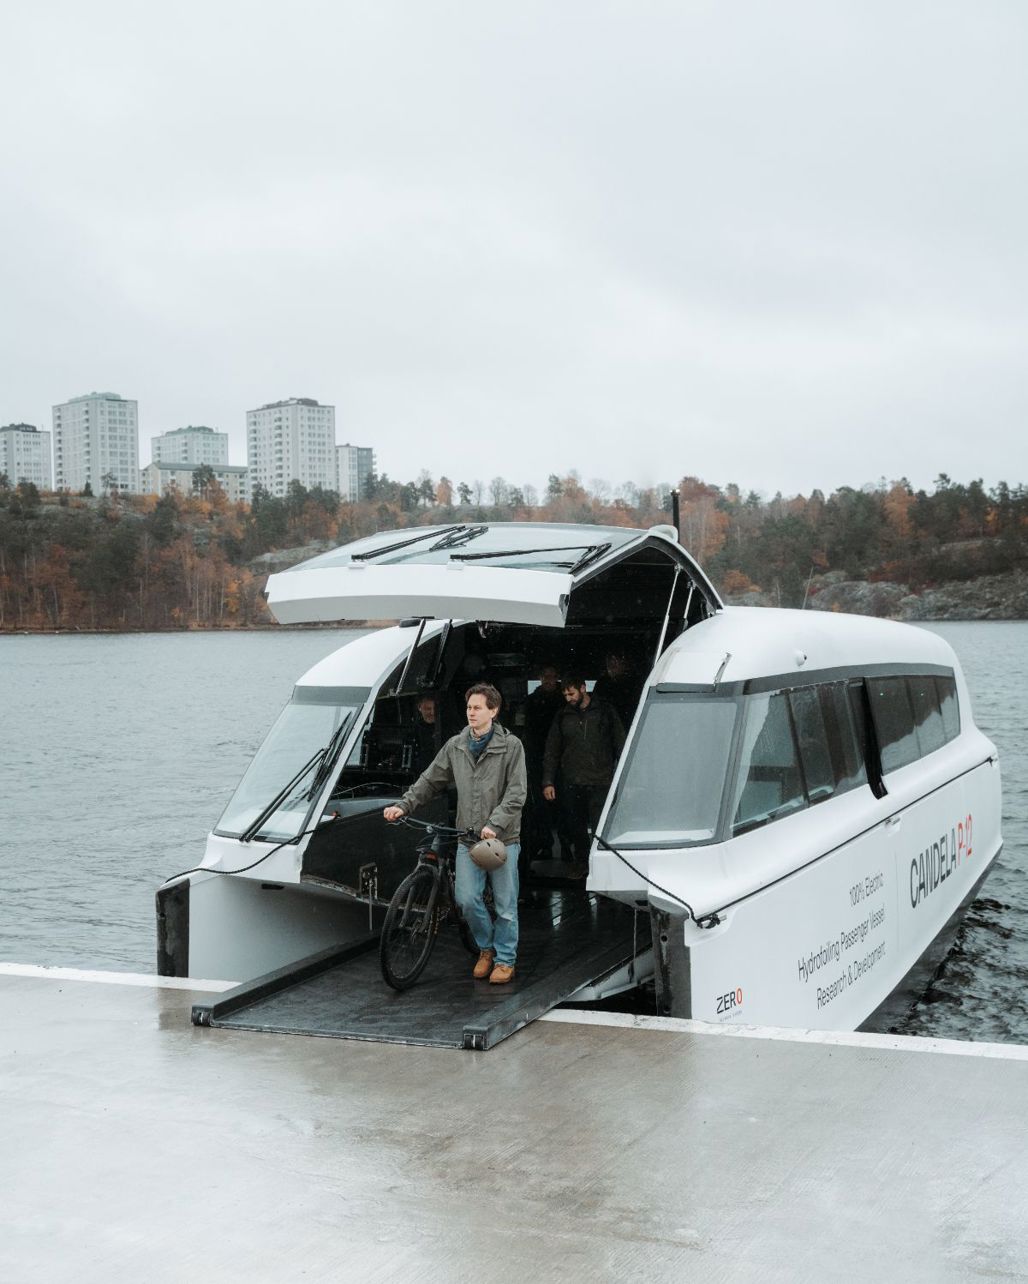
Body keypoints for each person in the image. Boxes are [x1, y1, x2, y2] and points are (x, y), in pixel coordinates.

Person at [383, 683, 526, 984]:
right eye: (469, 708)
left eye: (477, 708)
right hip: (468, 838)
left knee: (505, 904)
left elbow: (516, 793)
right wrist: (404, 805)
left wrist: (495, 824)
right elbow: (430, 779)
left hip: (501, 840)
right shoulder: (456, 745)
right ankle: (486, 949)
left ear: (493, 711)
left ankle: (505, 960)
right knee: (466, 900)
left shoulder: (511, 746)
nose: (471, 713)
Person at [542, 676, 626, 874]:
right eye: (565, 695)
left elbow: (620, 743)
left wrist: (623, 777)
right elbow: (552, 750)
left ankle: (602, 869)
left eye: (571, 693)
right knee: (576, 827)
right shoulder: (563, 715)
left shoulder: (605, 711)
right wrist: (548, 781)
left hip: (602, 780)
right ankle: (582, 865)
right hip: (572, 780)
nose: (568, 698)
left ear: (583, 688)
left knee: (601, 829)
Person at [522, 664, 565, 861]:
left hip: (563, 758)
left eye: (552, 676)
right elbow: (527, 731)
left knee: (565, 804)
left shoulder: (564, 702)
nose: (549, 680)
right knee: (540, 805)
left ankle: (566, 845)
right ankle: (546, 843)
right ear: (540, 677)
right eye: (545, 676)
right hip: (537, 758)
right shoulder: (530, 702)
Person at [591, 651, 642, 727]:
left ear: (624, 663)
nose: (612, 663)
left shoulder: (634, 682)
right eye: (610, 660)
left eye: (616, 660)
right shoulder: (602, 684)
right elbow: (596, 706)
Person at [412, 693, 439, 772]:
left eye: (435, 709)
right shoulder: (414, 729)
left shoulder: (446, 727)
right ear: (419, 707)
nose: (432, 712)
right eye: (428, 709)